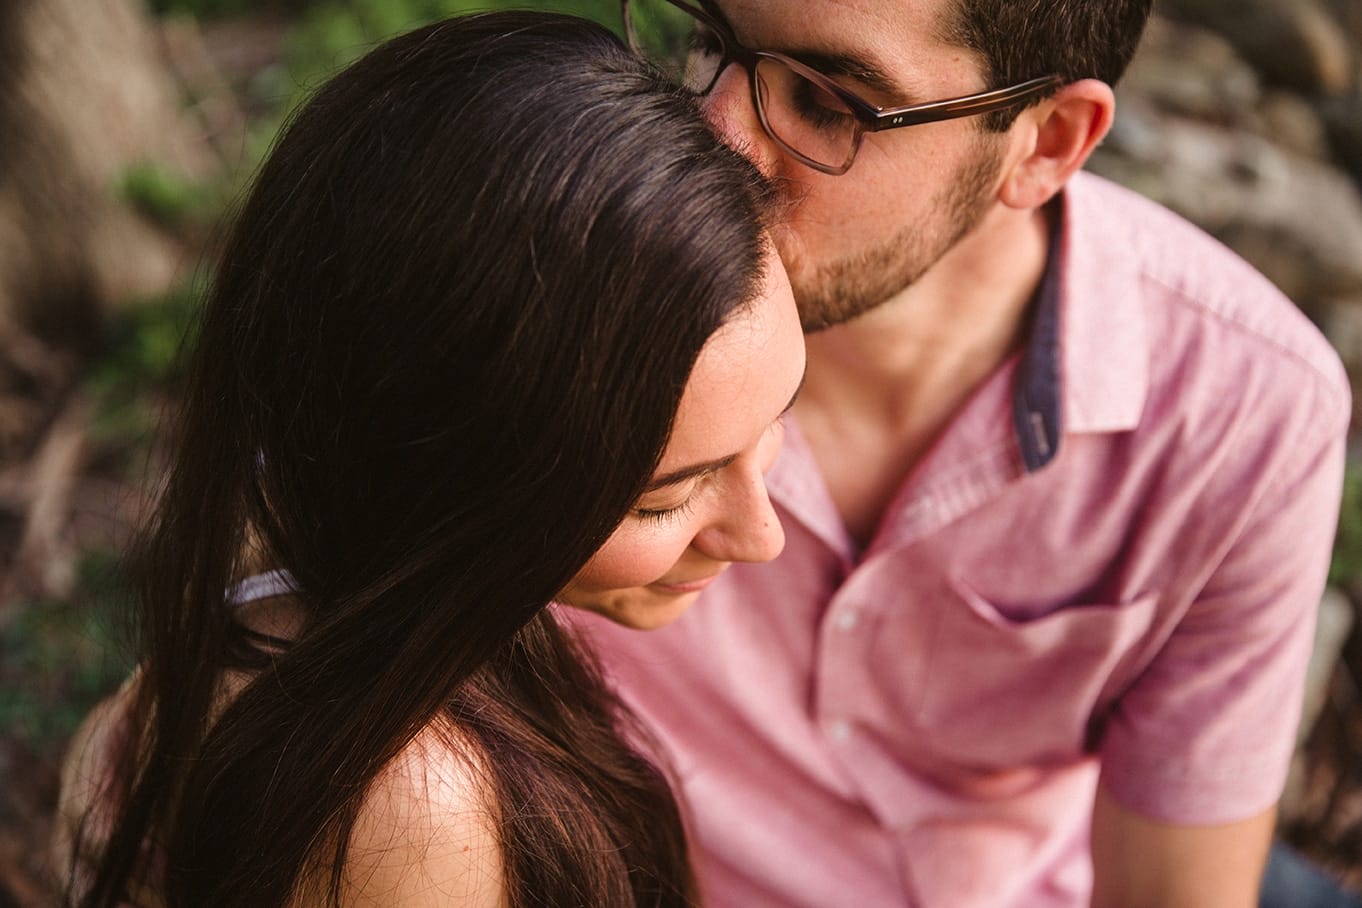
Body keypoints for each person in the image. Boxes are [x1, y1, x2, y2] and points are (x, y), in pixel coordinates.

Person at [571, 1, 1355, 906]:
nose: (717, 137)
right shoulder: (573, 276)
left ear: (1049, 143)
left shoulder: (1242, 408)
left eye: (825, 103)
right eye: (709, 40)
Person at [51, 11, 806, 907]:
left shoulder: (323, 575)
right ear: (456, 469)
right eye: (661, 500)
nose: (764, 537)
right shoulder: (406, 809)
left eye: (772, 424)